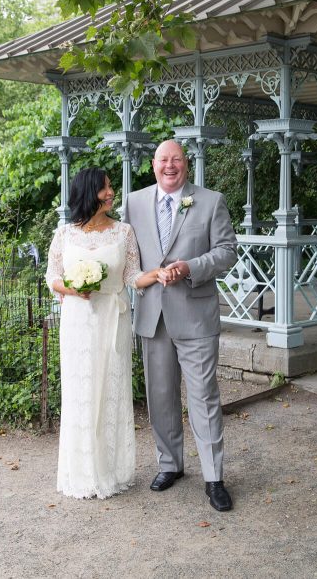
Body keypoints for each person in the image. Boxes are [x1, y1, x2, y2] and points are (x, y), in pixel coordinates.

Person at [124, 140, 239, 512]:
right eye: (163, 160)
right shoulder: (134, 202)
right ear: (153, 165)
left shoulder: (210, 201)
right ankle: (170, 464)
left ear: (186, 164)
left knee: (204, 397)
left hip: (196, 315)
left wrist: (190, 267)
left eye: (176, 159)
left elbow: (227, 252)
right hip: (152, 316)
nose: (169, 166)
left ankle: (214, 478)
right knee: (160, 397)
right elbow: (125, 258)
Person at [45, 168, 161, 499]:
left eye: (111, 187)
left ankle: (111, 471)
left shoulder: (123, 232)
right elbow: (51, 276)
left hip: (113, 319)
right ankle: (81, 472)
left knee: (111, 389)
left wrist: (157, 274)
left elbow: (132, 275)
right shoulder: (65, 234)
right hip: (77, 322)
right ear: (88, 193)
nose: (111, 193)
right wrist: (70, 286)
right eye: (105, 189)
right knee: (80, 393)